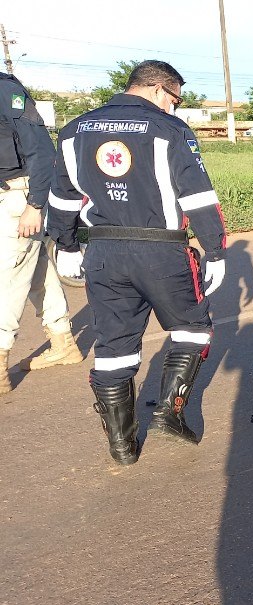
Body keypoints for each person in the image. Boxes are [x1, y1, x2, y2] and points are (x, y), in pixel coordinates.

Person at [49, 60, 227, 465]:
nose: (175, 107)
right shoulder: (169, 129)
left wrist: (66, 245)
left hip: (103, 253)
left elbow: (62, 197)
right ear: (159, 89)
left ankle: (122, 446)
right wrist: (215, 250)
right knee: (193, 328)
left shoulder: (74, 130)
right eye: (175, 99)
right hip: (162, 250)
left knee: (114, 346)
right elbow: (197, 195)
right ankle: (169, 413)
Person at [0, 72, 84, 394]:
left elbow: (42, 152)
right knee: (36, 271)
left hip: (19, 198)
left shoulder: (7, 92)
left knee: (8, 276)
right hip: (7, 197)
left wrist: (34, 205)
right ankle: (63, 343)